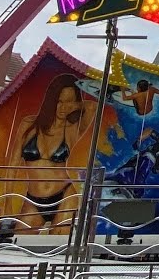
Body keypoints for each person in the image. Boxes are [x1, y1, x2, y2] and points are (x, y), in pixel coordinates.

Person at [10, 74, 125, 230]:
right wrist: (7, 206)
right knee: (19, 239)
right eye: (59, 102)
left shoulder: (72, 128)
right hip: (33, 199)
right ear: (51, 101)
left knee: (60, 243)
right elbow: (12, 167)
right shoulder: (29, 125)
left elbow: (92, 107)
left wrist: (75, 105)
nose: (64, 108)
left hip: (64, 196)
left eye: (69, 102)